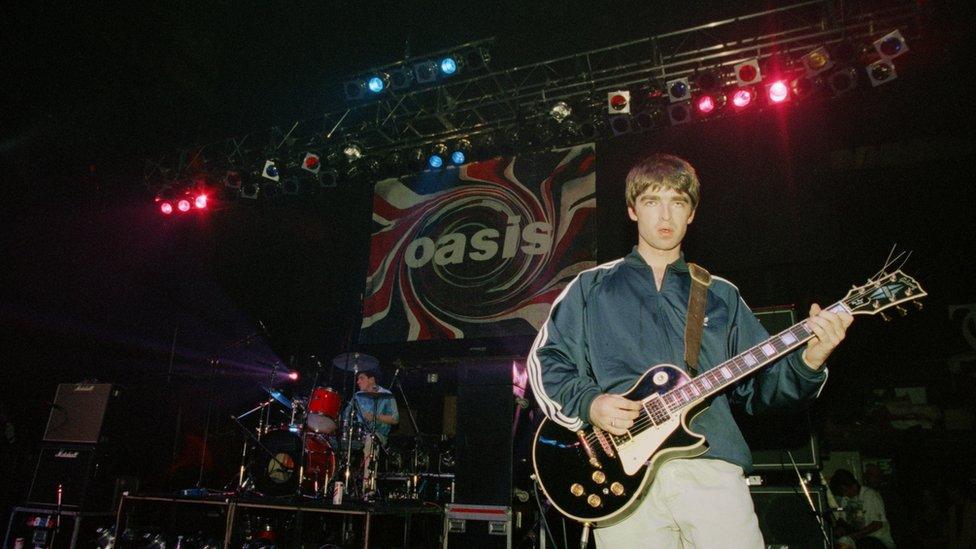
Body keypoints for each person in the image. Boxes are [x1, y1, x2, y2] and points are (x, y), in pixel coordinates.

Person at [528, 153, 853, 548]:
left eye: (677, 202)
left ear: (691, 213)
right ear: (632, 210)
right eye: (652, 201)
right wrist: (590, 404)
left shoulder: (719, 294)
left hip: (712, 470)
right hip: (624, 484)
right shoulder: (590, 287)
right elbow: (546, 362)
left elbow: (761, 391)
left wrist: (809, 361)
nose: (665, 215)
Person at [829, 468, 896, 548]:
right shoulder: (845, 499)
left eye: (846, 491)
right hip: (860, 540)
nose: (845, 494)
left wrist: (853, 537)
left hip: (878, 541)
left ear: (853, 485)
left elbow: (877, 524)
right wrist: (839, 527)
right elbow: (842, 518)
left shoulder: (870, 496)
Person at [342, 368, 399, 446]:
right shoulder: (357, 395)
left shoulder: (386, 395)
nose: (358, 382)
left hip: (378, 435)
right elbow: (346, 415)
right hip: (358, 434)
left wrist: (375, 417)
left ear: (371, 379)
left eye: (361, 378)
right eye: (358, 379)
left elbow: (395, 419)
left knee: (369, 438)